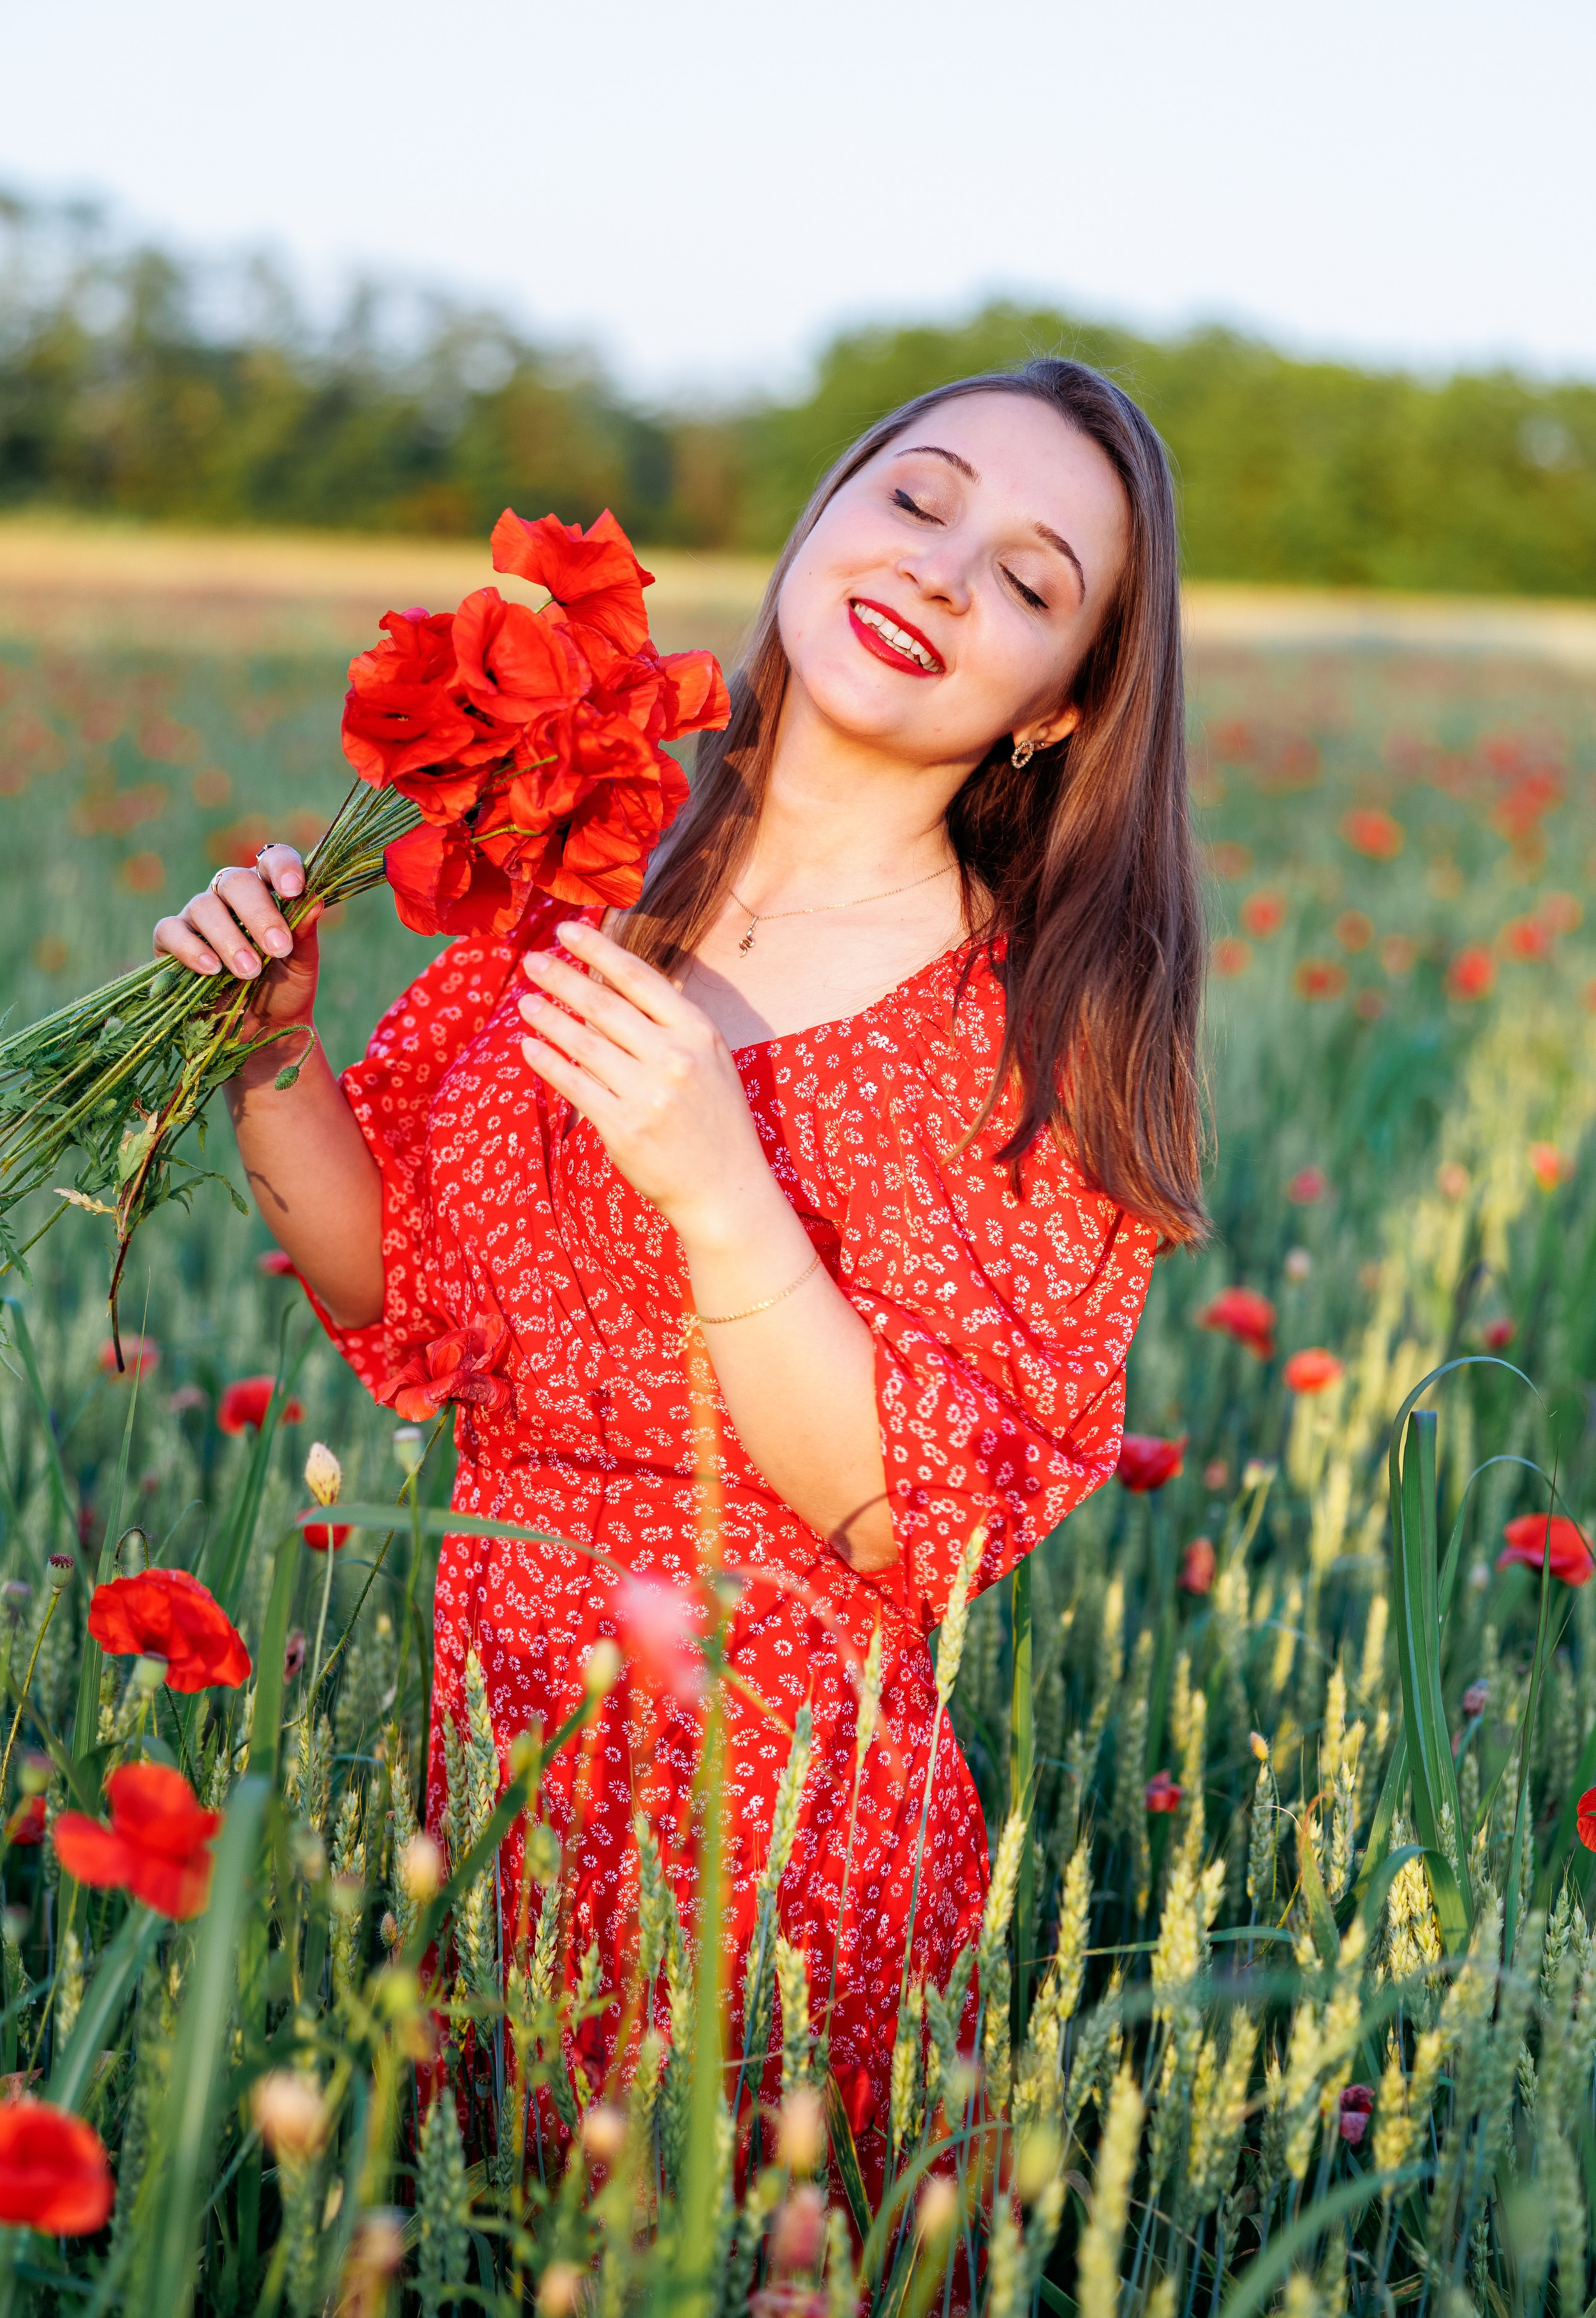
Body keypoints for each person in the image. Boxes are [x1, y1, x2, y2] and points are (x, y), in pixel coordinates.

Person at [154, 358, 1206, 2158]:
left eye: (1033, 585)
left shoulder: (1039, 1033)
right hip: (494, 1797)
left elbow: (915, 1531)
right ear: (822, 523)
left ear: (1056, 708)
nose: (947, 572)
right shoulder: (592, 872)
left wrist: (724, 1183)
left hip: (785, 1841)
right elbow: (391, 1284)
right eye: (919, 498)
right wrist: (266, 1049)